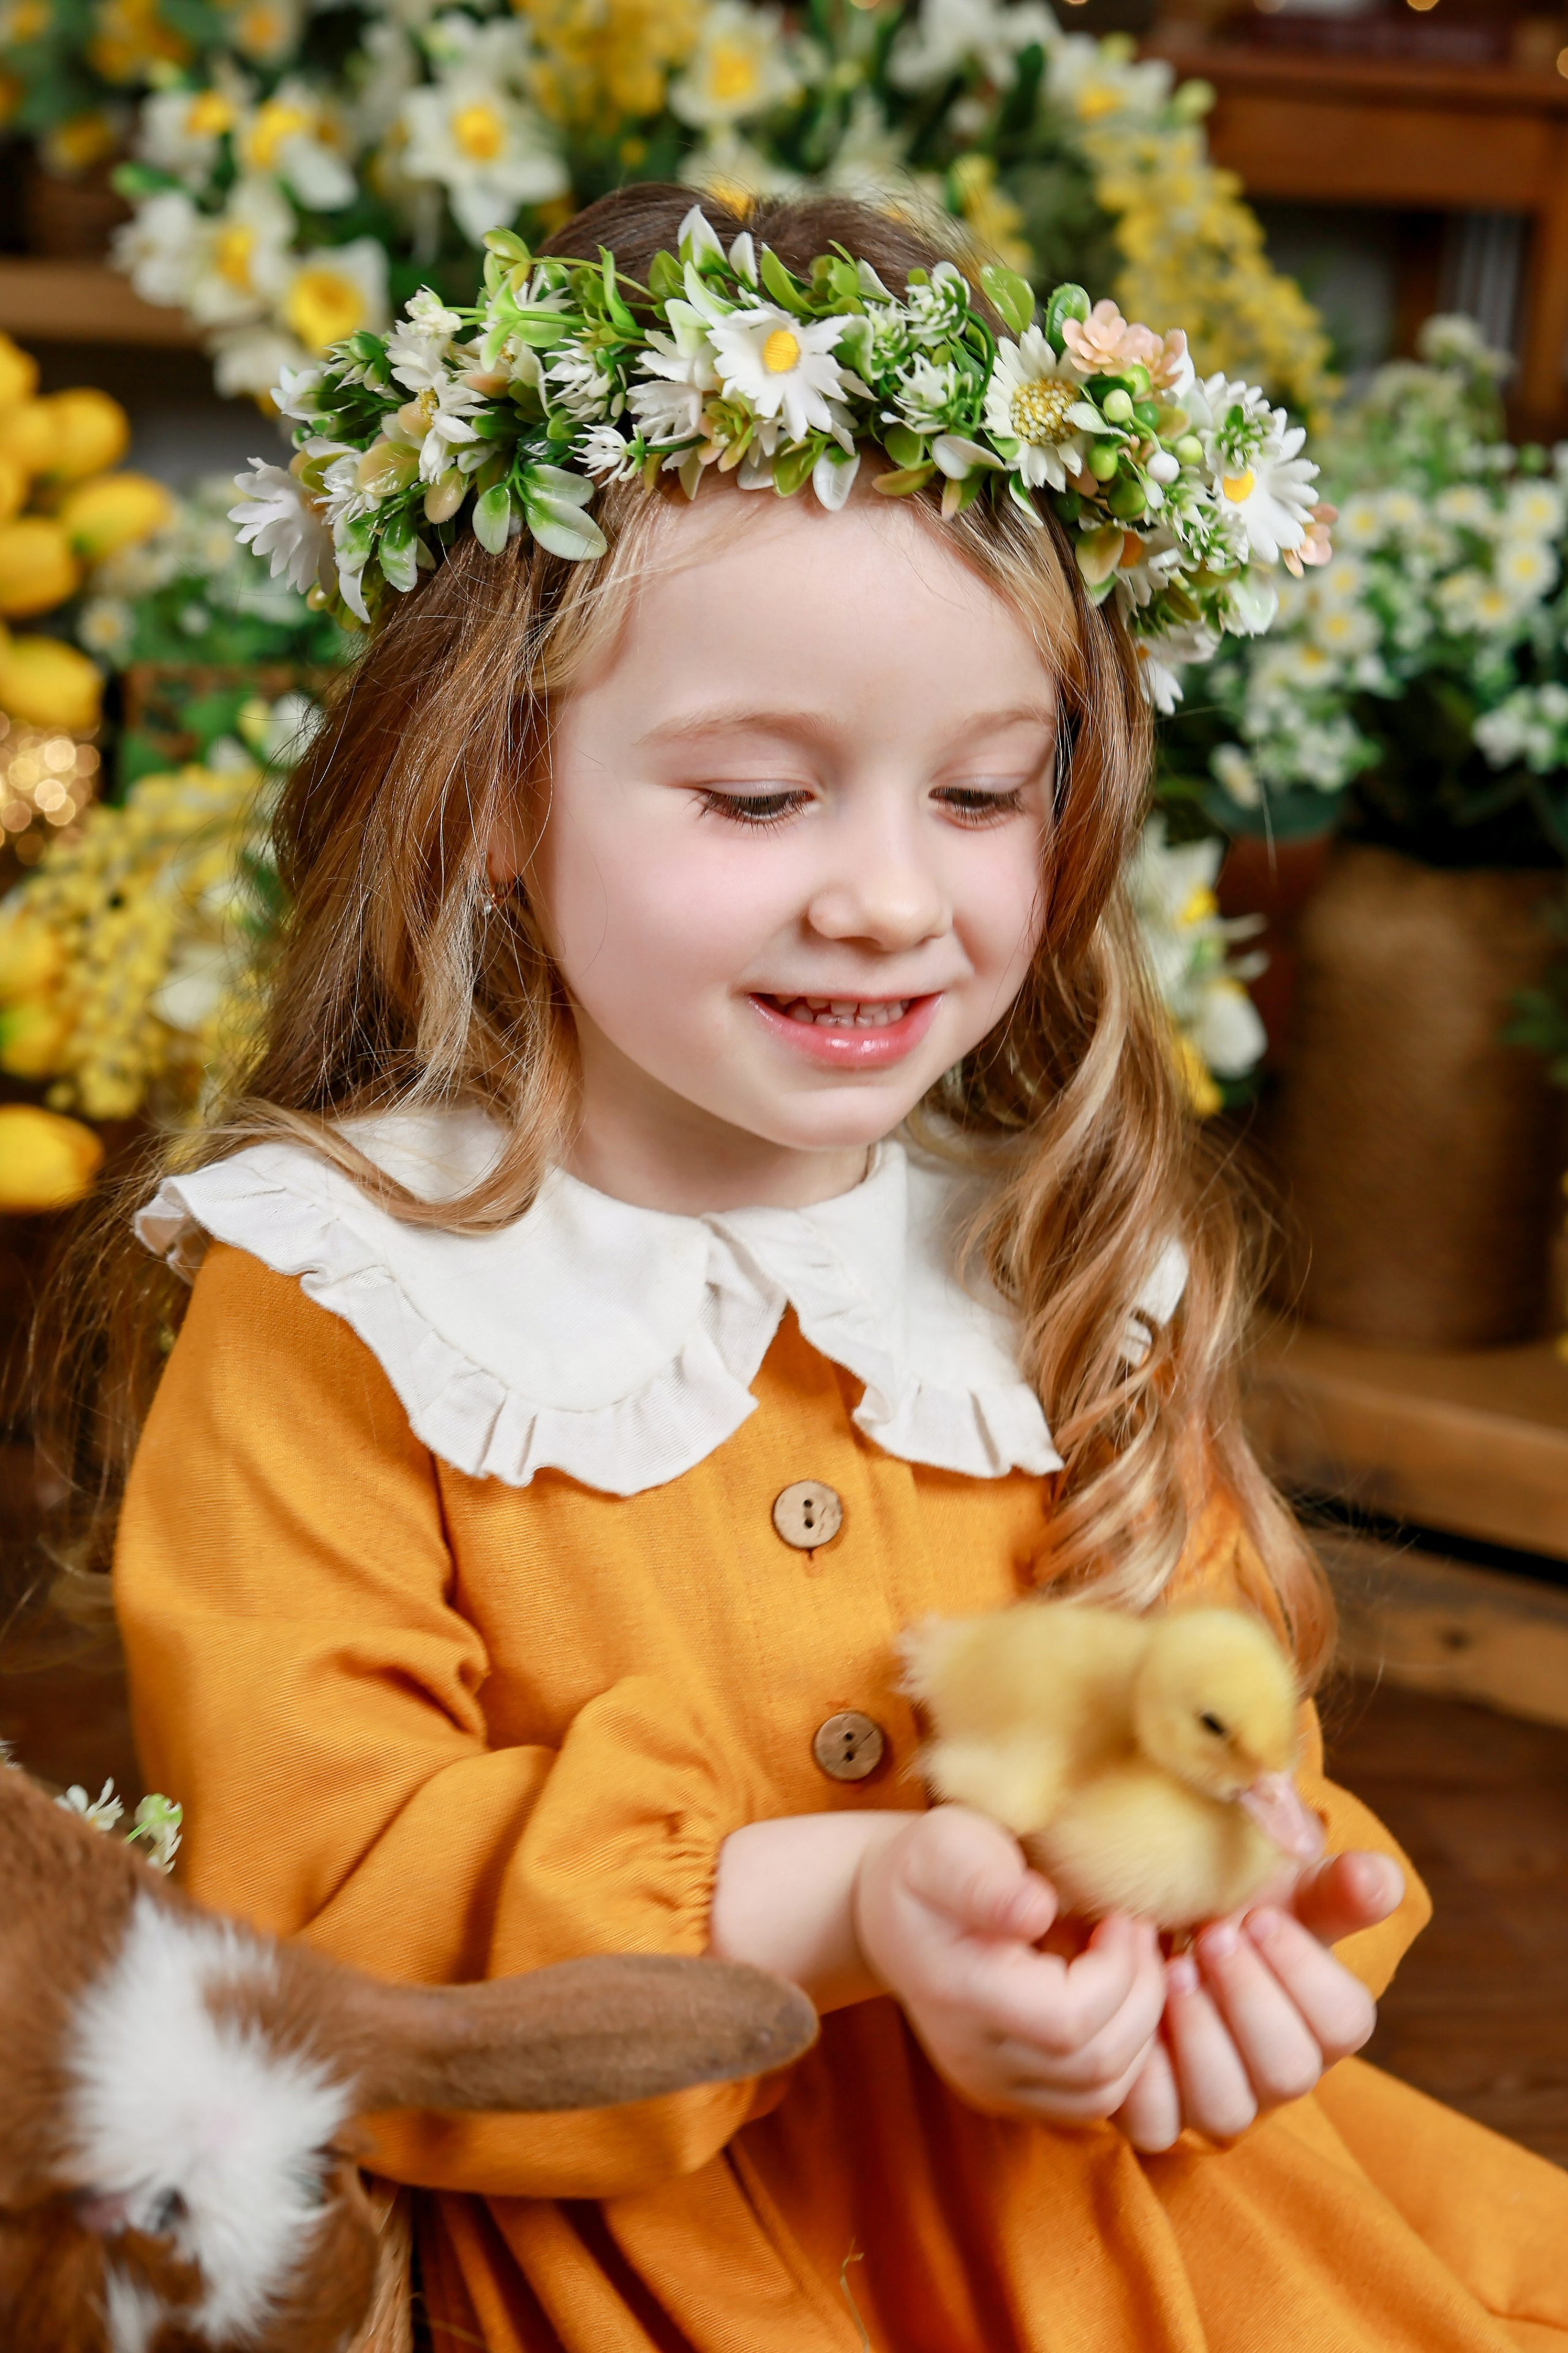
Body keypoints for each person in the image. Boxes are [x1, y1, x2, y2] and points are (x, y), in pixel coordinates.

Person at [107, 186, 1566, 2351]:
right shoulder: (346, 1286)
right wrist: (865, 1901)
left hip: (1116, 2225)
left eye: (984, 793)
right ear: (497, 792)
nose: (894, 898)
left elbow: (1204, 1718)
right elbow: (307, 1904)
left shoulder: (1052, 1257)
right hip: (637, 2254)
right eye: (765, 795)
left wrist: (1221, 1929)